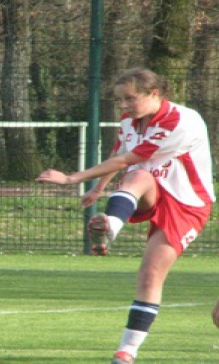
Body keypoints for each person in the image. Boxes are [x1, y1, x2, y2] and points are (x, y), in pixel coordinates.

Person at [36, 67, 215, 364]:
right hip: (150, 190)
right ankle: (125, 354)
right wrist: (97, 188)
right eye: (119, 100)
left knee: (150, 273)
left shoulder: (181, 120)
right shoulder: (131, 122)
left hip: (186, 203)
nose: (123, 106)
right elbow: (118, 153)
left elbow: (125, 158)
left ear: (154, 93)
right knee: (139, 177)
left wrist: (71, 179)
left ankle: (128, 347)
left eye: (129, 99)